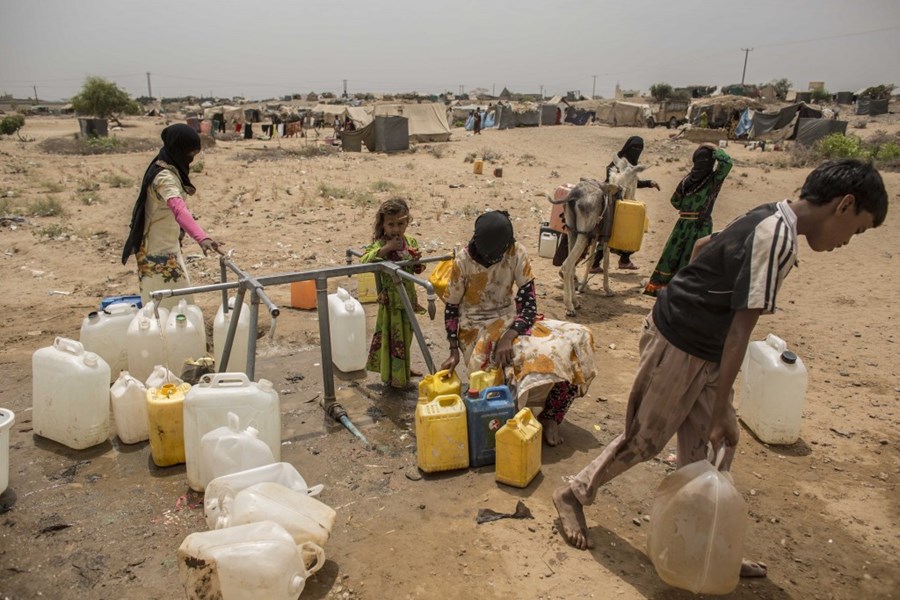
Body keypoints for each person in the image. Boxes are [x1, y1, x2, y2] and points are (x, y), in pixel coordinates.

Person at [553, 159, 888, 578]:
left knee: (711, 452)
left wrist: (697, 295)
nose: (847, 241)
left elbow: (703, 246)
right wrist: (722, 404)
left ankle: (704, 545)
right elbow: (741, 330)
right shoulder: (778, 238)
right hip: (679, 340)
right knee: (644, 439)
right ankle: (573, 494)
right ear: (845, 204)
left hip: (707, 348)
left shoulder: (771, 213)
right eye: (857, 230)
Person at [441, 211, 597, 446]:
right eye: (484, 254)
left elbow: (528, 304)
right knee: (517, 359)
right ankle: (506, 415)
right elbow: (452, 309)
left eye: (495, 254)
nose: (488, 259)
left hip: (511, 319)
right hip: (474, 326)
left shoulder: (515, 253)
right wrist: (453, 349)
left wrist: (509, 335)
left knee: (576, 339)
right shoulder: (463, 261)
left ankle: (551, 416)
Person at [122, 124, 224, 310]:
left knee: (179, 300)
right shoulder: (165, 178)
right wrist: (202, 237)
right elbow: (178, 209)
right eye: (190, 155)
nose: (191, 160)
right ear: (179, 150)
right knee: (167, 304)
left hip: (168, 245)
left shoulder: (166, 166)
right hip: (156, 251)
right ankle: (164, 337)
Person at [643, 143, 732, 296]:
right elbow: (727, 163)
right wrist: (713, 147)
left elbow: (675, 201)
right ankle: (686, 290)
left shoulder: (687, 180)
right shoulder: (713, 180)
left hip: (682, 225)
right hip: (700, 225)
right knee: (694, 257)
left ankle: (662, 287)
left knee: (673, 254)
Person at [360, 198, 426, 389]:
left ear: (407, 222)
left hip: (408, 300)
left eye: (400, 223)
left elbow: (418, 270)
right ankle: (396, 379)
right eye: (391, 224)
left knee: (406, 336)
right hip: (391, 302)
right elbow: (364, 262)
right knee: (392, 340)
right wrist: (386, 249)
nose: (396, 229)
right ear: (383, 224)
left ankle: (403, 369)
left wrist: (416, 260)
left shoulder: (410, 242)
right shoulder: (381, 244)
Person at [593, 136, 659, 272]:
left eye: (639, 149)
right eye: (634, 148)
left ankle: (624, 259)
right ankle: (594, 264)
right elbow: (614, 183)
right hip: (613, 205)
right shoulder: (616, 164)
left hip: (627, 206)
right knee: (608, 233)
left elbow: (634, 182)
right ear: (628, 148)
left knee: (632, 230)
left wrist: (649, 183)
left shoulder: (632, 165)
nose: (637, 151)